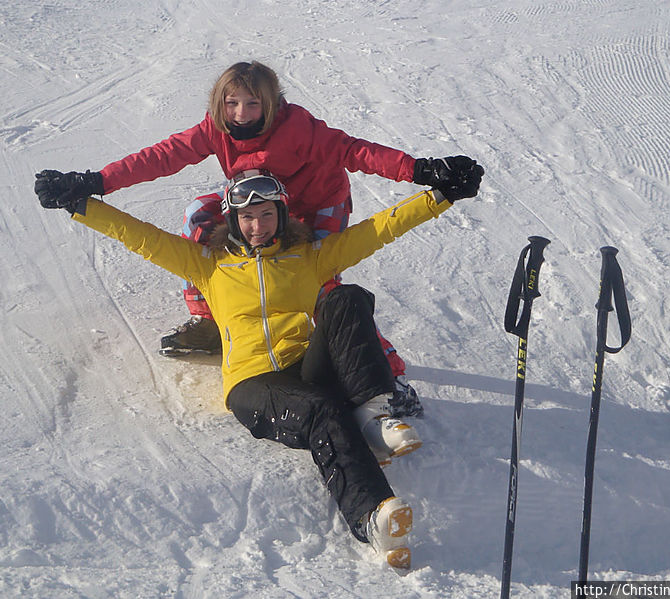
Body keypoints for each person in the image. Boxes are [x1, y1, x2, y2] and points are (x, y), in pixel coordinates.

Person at [34, 161, 484, 569]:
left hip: (305, 364)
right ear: (232, 219)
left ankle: (373, 414)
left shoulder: (308, 257)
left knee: (347, 298)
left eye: (267, 215)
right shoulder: (208, 265)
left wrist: (441, 196)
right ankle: (372, 517)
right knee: (323, 410)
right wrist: (79, 204)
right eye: (247, 217)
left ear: (282, 216)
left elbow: (380, 229)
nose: (257, 225)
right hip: (254, 382)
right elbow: (141, 237)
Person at [33, 60, 473, 418]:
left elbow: (356, 152)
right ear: (220, 104)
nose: (241, 113)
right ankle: (212, 319)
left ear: (273, 103)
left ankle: (385, 372)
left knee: (319, 280)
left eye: (252, 104)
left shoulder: (300, 128)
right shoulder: (215, 130)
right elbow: (161, 157)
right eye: (232, 103)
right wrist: (94, 181)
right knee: (197, 217)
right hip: (257, 203)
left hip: (315, 204)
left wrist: (421, 170)